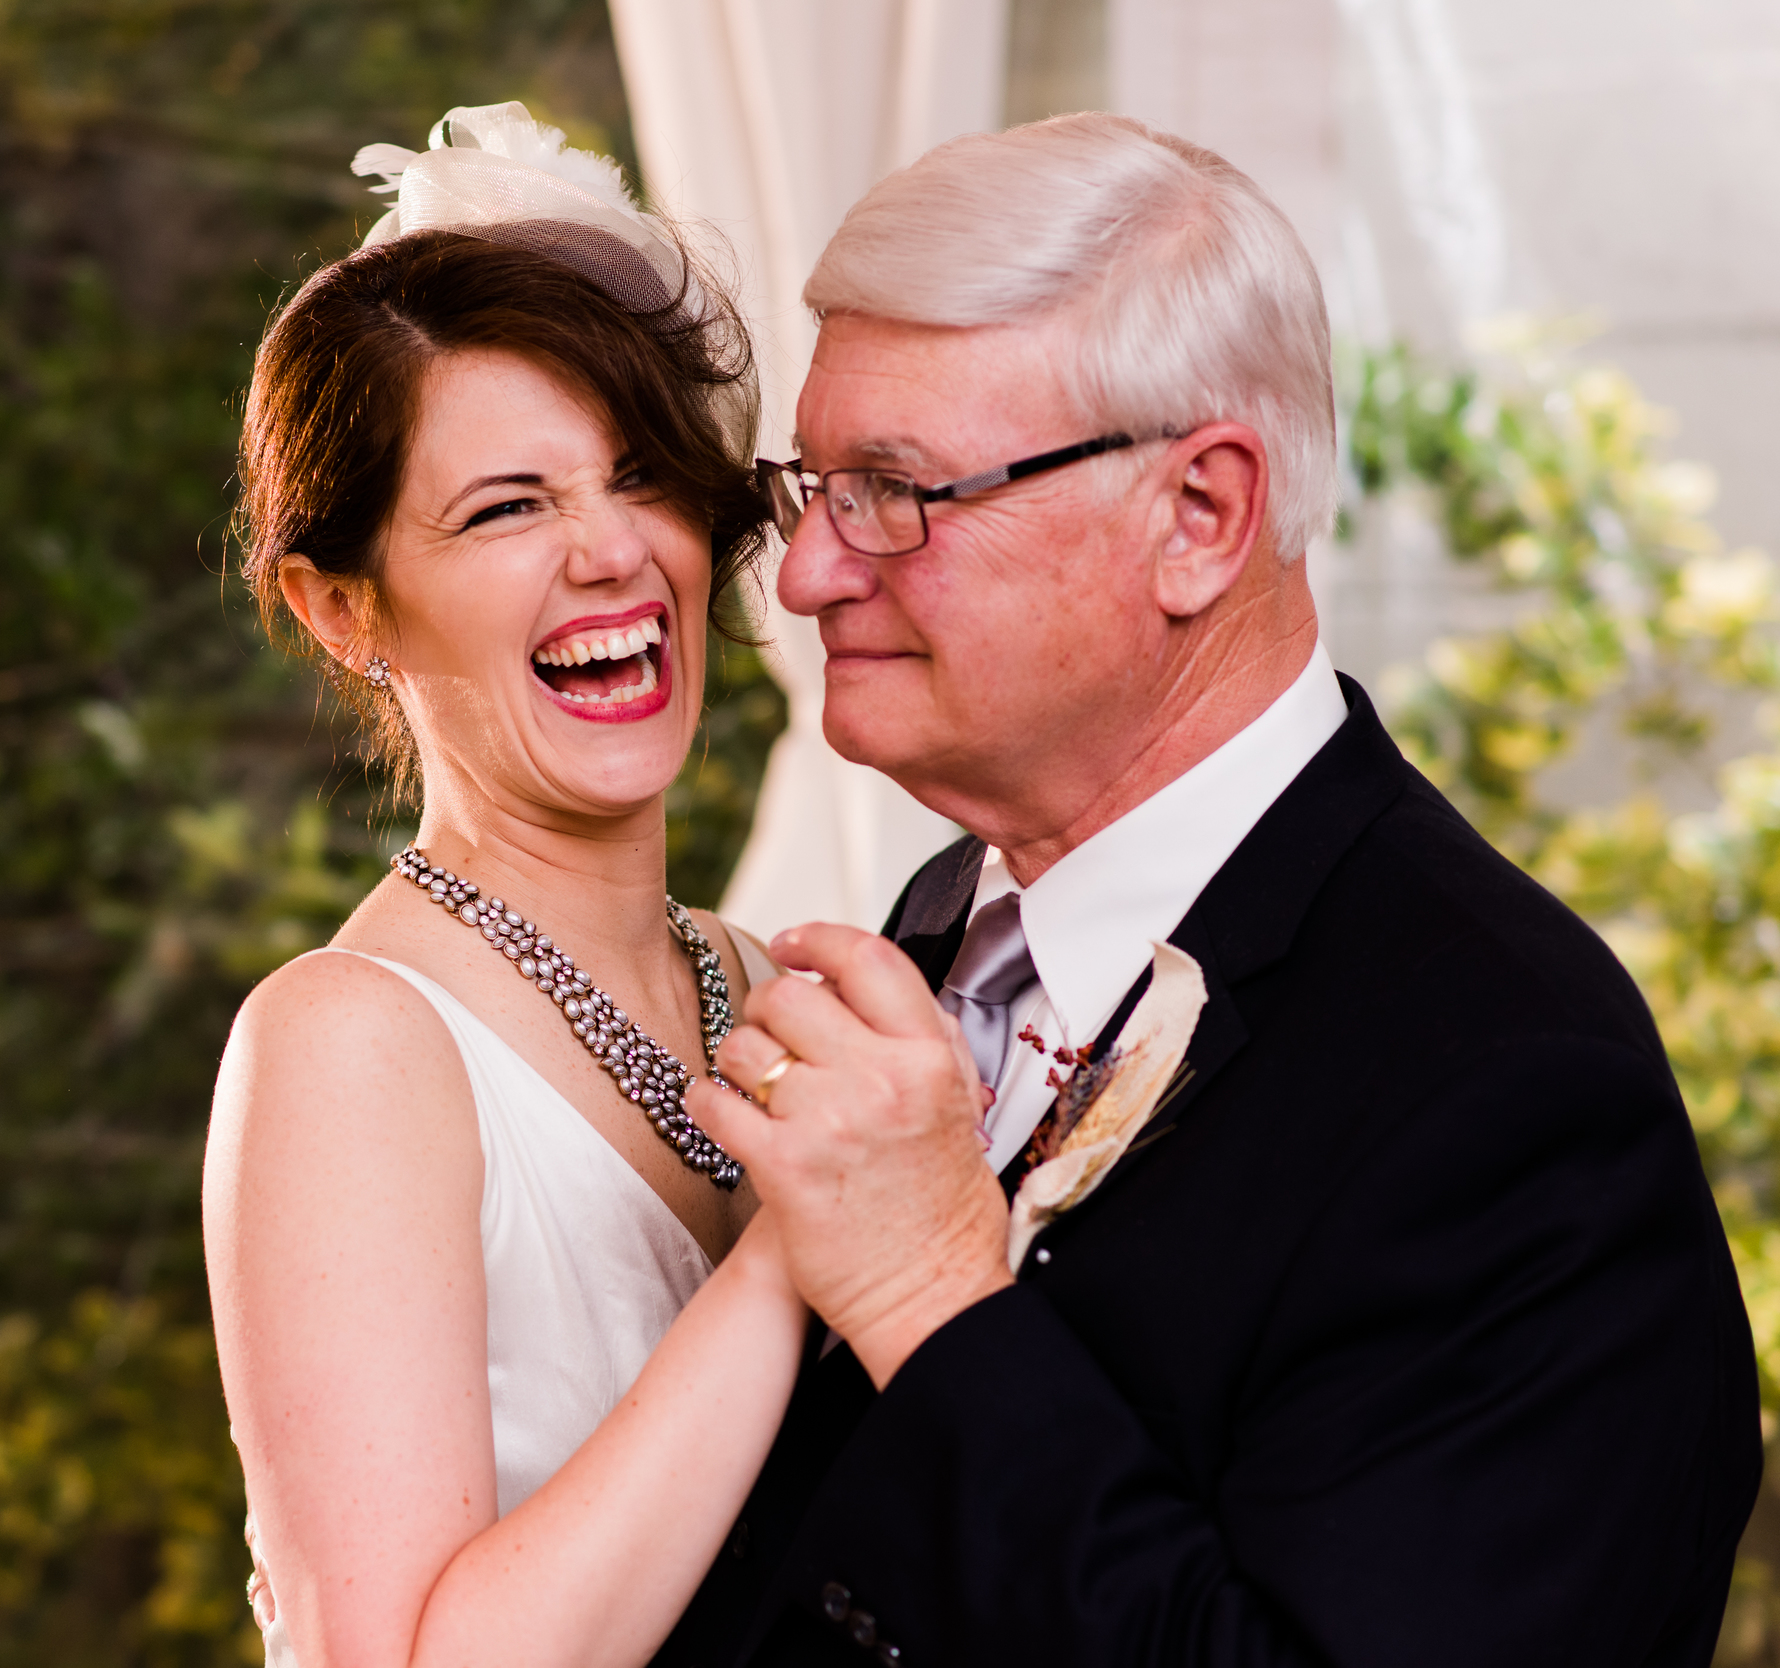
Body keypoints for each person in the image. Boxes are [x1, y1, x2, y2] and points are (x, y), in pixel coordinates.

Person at [655, 113, 1763, 1668]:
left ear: (1201, 518)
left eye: (898, 494)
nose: (808, 574)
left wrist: (931, 1297)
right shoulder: (937, 923)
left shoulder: (1511, 1089)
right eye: (816, 487)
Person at [206, 105, 805, 1668]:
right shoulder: (351, 1046)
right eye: (508, 507)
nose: (612, 551)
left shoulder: (792, 992)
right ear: (343, 610)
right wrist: (803, 1249)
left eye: (641, 476)